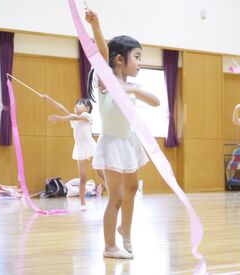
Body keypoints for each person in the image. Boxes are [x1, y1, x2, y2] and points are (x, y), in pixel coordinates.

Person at [84, 9, 160, 259]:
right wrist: (97, 25)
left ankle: (125, 231)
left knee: (131, 190)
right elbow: (103, 53)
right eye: (136, 56)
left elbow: (156, 101)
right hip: (112, 144)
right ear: (119, 60)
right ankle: (109, 247)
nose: (140, 61)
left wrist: (133, 90)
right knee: (115, 197)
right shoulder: (106, 80)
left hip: (129, 143)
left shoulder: (130, 86)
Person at [43, 95, 105, 211]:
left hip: (90, 147)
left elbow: (71, 116)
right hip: (80, 149)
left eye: (80, 104)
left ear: (87, 108)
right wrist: (49, 99)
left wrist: (59, 119)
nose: (76, 105)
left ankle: (114, 193)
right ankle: (83, 204)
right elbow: (62, 108)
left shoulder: (87, 116)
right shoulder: (73, 118)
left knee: (101, 174)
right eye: (76, 104)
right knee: (83, 177)